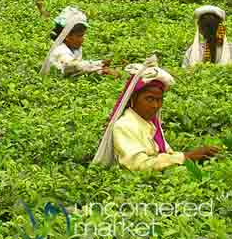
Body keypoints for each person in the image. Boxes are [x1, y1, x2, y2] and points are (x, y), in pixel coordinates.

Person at [92, 56, 220, 171]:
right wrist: (185, 157)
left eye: (159, 100)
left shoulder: (151, 124)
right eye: (149, 99)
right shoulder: (124, 126)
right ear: (133, 99)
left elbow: (165, 155)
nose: (155, 105)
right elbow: (139, 165)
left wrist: (193, 156)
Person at [40, 7, 117, 77]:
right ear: (67, 37)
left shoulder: (74, 48)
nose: (82, 39)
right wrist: (101, 68)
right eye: (79, 36)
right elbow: (75, 67)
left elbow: (80, 66)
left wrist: (101, 63)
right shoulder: (60, 51)